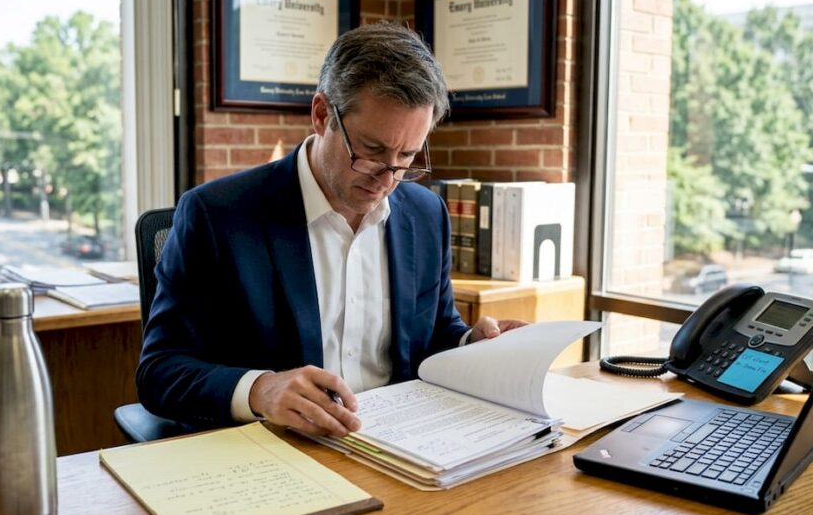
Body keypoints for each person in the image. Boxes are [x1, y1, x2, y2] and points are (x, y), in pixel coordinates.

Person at [137, 22, 524, 438]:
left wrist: (472, 347)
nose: (388, 177)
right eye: (372, 150)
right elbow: (161, 371)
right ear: (322, 115)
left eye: (407, 155)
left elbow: (433, 335)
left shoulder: (426, 214)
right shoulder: (217, 215)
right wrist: (261, 390)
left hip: (404, 445)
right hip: (278, 449)